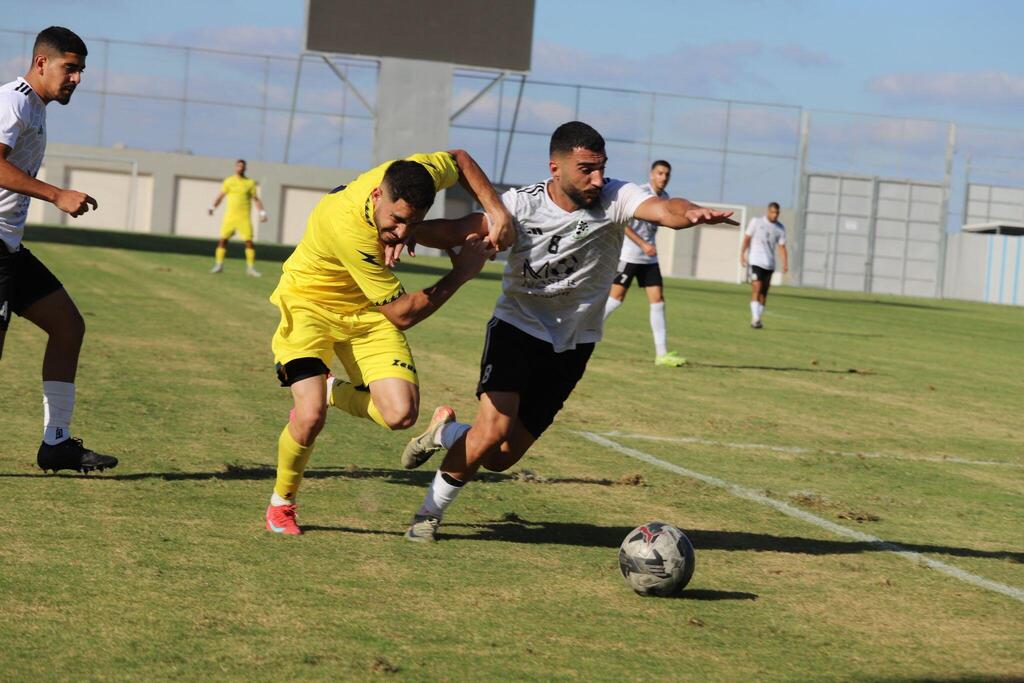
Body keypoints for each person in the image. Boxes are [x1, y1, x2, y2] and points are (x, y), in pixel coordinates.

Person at [398, 122, 736, 542]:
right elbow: (458, 228)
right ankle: (428, 513)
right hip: (517, 328)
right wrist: (402, 228)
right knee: (492, 431)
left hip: (574, 344)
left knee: (501, 458)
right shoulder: (521, 205)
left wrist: (691, 214)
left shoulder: (615, 195)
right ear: (555, 168)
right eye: (586, 169)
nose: (597, 178)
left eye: (601, 168)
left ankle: (444, 432)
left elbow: (666, 209)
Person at [264, 149, 513, 535]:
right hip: (309, 307)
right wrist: (461, 272)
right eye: (396, 221)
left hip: (365, 313)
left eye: (411, 223)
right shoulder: (348, 227)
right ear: (378, 195)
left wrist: (497, 212)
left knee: (400, 416)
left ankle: (331, 389)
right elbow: (403, 315)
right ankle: (282, 503)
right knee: (310, 417)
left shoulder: (413, 175)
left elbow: (459, 159)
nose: (400, 232)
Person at [0, 27, 117, 474]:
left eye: (82, 70)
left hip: (9, 246)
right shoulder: (15, 100)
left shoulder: (36, 106)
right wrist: (56, 194)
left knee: (68, 326)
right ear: (42, 62)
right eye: (71, 68)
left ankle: (57, 443)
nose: (78, 79)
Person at [602, 159, 686, 367]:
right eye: (660, 173)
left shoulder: (665, 198)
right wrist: (642, 244)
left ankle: (661, 354)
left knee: (658, 301)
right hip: (630, 256)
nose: (663, 177)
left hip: (649, 259)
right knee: (616, 299)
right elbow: (622, 223)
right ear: (651, 174)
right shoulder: (639, 193)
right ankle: (581, 333)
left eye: (667, 174)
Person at [208, 159, 267, 277]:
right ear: (235, 167)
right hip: (229, 218)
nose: (240, 168)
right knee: (222, 240)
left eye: (242, 166)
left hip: (244, 218)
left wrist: (262, 213)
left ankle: (250, 268)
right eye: (238, 166)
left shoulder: (249, 183)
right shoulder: (228, 181)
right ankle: (219, 265)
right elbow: (221, 196)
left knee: (249, 242)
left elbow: (255, 199)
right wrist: (213, 207)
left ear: (245, 168)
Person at [739, 202, 788, 329]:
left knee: (764, 293)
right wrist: (742, 254)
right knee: (757, 287)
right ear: (768, 211)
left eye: (777, 213)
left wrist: (785, 263)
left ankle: (758, 318)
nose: (775, 215)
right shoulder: (756, 222)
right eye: (772, 212)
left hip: (770, 264)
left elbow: (782, 247)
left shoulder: (780, 228)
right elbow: (746, 238)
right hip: (756, 261)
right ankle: (754, 319)